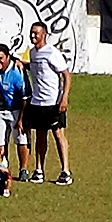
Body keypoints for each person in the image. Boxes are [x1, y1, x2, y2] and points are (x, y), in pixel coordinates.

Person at [24, 21, 72, 186]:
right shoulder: (32, 53)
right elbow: (35, 69)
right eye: (31, 32)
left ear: (44, 34)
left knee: (58, 134)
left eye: (36, 33)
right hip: (37, 101)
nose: (33, 36)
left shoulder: (52, 53)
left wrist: (64, 97)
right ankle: (39, 170)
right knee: (40, 135)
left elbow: (66, 75)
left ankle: (65, 170)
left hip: (53, 101)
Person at [0, 44, 31, 181]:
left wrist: (22, 119)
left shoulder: (17, 71)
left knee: (21, 139)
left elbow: (25, 96)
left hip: (16, 110)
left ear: (8, 57)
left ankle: (24, 170)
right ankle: (2, 169)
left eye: (1, 58)